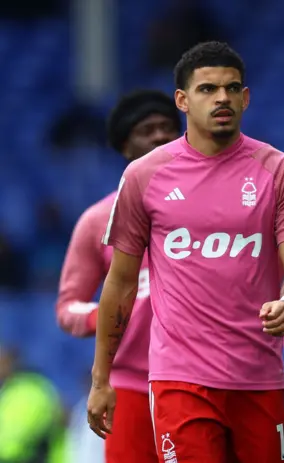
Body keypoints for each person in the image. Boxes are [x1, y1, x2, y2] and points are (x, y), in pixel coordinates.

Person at [86, 41, 284, 463]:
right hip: (180, 379)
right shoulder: (144, 176)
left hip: (259, 377)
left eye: (232, 89)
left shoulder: (281, 171)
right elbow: (119, 283)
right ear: (182, 99)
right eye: (207, 89)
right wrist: (101, 379)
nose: (222, 99)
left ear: (246, 98)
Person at [56, 89, 182, 462]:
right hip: (130, 385)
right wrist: (106, 314)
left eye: (168, 128)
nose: (160, 136)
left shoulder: (211, 210)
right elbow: (67, 308)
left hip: (198, 377)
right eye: (148, 129)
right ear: (125, 146)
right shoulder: (98, 220)